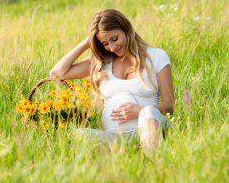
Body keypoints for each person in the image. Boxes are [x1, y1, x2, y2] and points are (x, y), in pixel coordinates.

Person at [49, 9, 174, 152]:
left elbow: (168, 105)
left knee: (148, 113)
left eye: (115, 39)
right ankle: (120, 156)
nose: (112, 47)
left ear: (126, 29)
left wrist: (140, 111)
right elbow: (56, 73)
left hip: (150, 127)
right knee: (79, 135)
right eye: (105, 43)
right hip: (114, 139)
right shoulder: (102, 62)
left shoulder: (157, 56)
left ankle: (152, 158)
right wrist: (87, 42)